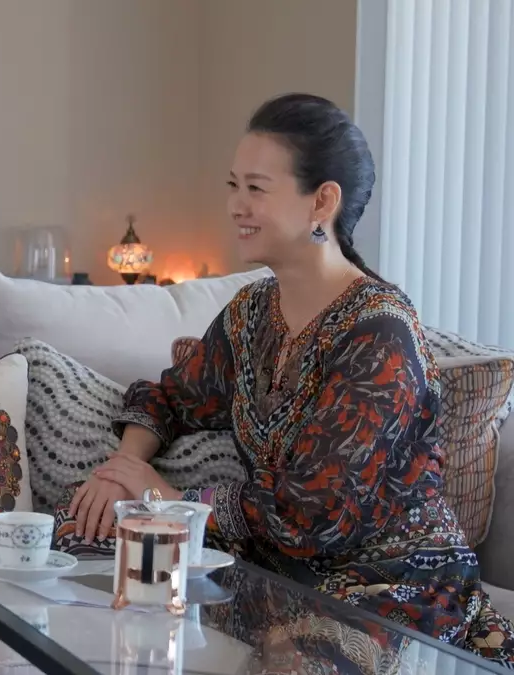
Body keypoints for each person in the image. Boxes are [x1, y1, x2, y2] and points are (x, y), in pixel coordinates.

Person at [71, 92, 514, 667]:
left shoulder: (380, 335)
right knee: (74, 543)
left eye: (256, 188)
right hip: (271, 571)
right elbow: (170, 398)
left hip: (388, 586)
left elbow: (312, 515)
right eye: (233, 185)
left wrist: (165, 499)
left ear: (322, 201)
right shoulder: (251, 313)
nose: (235, 205)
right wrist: (121, 471)